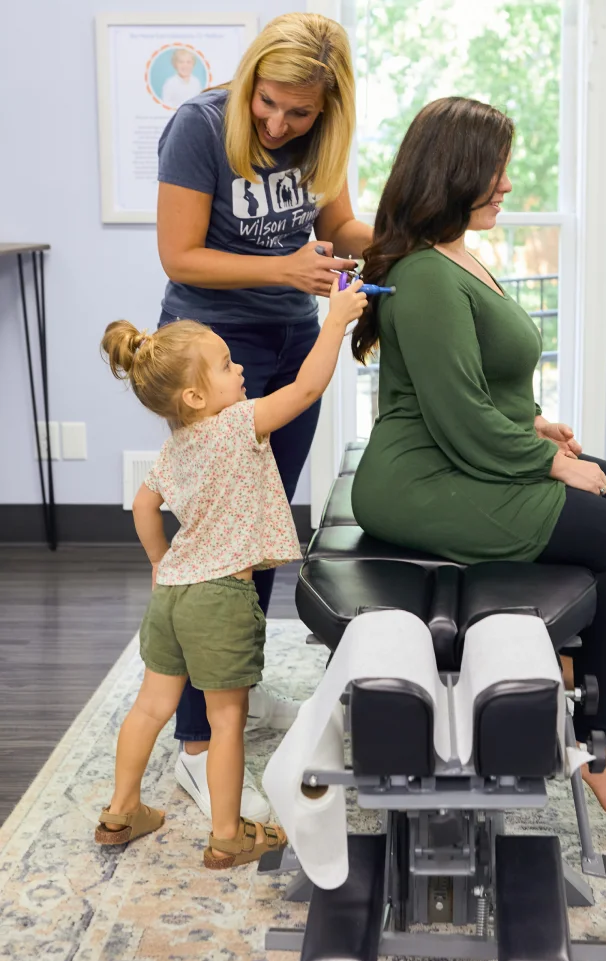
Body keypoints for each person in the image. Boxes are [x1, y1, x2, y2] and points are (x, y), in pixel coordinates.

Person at [350, 97, 606, 828]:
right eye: (497, 170)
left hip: (461, 452)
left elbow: (476, 386)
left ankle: (566, 671)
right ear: (453, 172)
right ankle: (597, 740)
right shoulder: (424, 276)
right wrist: (547, 466)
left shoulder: (456, 256)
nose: (508, 184)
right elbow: (455, 416)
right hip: (420, 479)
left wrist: (535, 426)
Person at [155, 12, 371, 823]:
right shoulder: (198, 126)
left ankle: (229, 696)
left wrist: (410, 237)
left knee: (265, 529)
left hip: (289, 333)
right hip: (214, 348)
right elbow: (179, 255)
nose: (279, 124)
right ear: (250, 83)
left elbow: (339, 227)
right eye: (270, 105)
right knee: (217, 543)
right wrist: (283, 267)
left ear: (329, 107)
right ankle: (197, 744)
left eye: (300, 113)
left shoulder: (323, 136)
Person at [94, 278, 367, 867]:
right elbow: (309, 386)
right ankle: (226, 834)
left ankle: (120, 809)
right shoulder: (240, 423)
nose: (238, 366)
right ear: (195, 396)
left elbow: (144, 507)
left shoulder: (174, 448)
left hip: (172, 595)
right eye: (224, 364)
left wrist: (159, 564)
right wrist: (336, 319)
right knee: (226, 720)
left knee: (149, 707)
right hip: (220, 599)